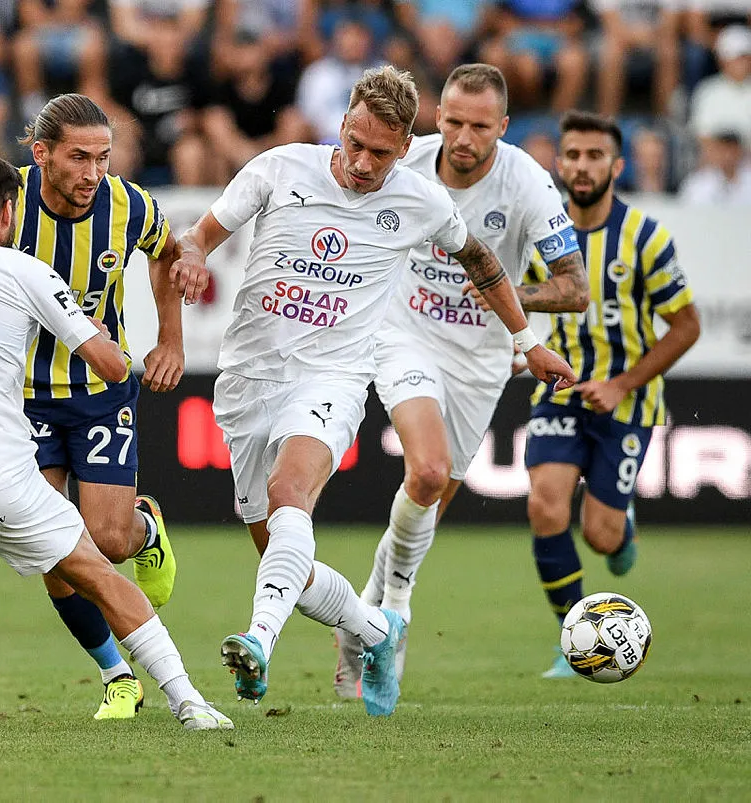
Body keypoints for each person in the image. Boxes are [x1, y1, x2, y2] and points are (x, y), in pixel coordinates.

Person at [170, 65, 576, 718]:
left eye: (380, 153)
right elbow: (199, 232)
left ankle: (258, 640)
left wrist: (528, 342)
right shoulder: (280, 170)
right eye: (355, 143)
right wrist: (191, 253)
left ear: (404, 145)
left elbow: (483, 261)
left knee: (289, 495)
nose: (362, 163)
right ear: (343, 124)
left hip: (331, 379)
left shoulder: (421, 200)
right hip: (248, 381)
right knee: (289, 563)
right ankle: (373, 629)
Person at [0, 151, 232, 732]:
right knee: (95, 571)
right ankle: (187, 701)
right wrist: (109, 344)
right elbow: (110, 367)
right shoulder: (26, 271)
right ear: (9, 214)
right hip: (4, 480)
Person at [333, 64, 589, 699]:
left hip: (481, 359)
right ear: (436, 117)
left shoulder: (527, 183)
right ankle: (396, 617)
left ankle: (362, 616)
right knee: (424, 472)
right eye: (452, 121)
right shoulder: (406, 163)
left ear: (503, 127)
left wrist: (509, 292)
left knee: (426, 503)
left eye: (480, 126)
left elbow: (575, 288)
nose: (463, 137)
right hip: (403, 335)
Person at [522, 111, 700, 678]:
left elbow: (687, 326)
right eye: (572, 154)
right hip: (561, 391)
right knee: (545, 504)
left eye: (594, 156)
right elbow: (517, 301)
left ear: (616, 166)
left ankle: (621, 531)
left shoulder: (646, 239)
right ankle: (570, 640)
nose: (581, 166)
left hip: (628, 402)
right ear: (559, 161)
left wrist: (622, 383)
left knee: (601, 535)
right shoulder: (542, 237)